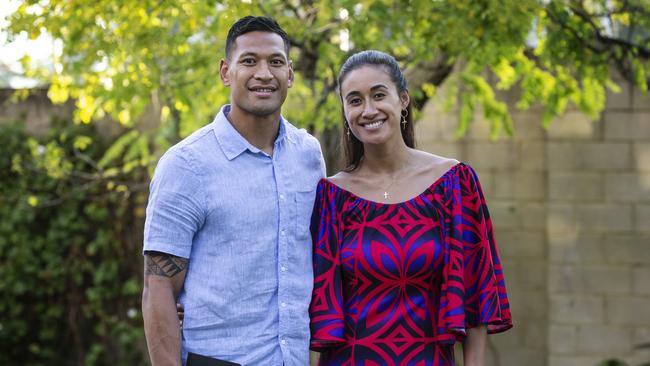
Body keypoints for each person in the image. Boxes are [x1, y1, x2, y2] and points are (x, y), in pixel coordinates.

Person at [308, 50, 512, 365]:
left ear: (403, 99)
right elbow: (318, 307)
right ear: (345, 111)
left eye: (378, 95)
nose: (368, 109)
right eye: (355, 100)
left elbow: (477, 297)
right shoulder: (331, 196)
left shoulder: (454, 185)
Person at [141, 16, 324, 366]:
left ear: (290, 74)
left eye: (275, 62)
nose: (264, 73)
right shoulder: (186, 165)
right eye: (249, 61)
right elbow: (158, 288)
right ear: (226, 72)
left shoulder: (308, 155)